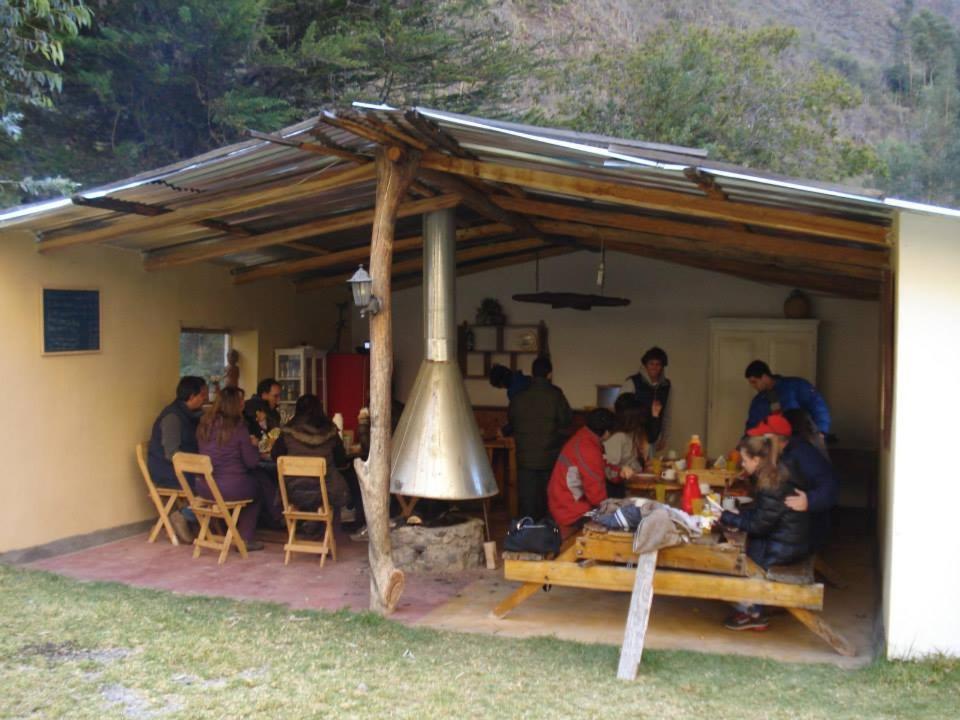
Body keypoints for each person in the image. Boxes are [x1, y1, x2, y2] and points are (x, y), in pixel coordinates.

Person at [719, 427, 811, 631]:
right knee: (747, 546)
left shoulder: (770, 484)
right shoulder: (772, 475)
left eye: (744, 460)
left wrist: (727, 517)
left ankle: (753, 611)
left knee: (743, 559)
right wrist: (736, 517)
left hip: (786, 547)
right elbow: (762, 517)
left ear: (756, 460)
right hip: (788, 539)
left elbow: (758, 526)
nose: (742, 464)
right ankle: (751, 606)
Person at [196, 386, 268, 550]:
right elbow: (251, 463)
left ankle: (226, 531)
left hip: (205, 487)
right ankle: (244, 539)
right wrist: (254, 445)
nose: (244, 403)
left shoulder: (204, 424)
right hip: (230, 488)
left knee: (254, 482)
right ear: (233, 404)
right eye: (241, 401)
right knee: (258, 489)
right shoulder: (239, 427)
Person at [547, 408, 636, 537]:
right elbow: (597, 497)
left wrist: (619, 472)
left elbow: (601, 467)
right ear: (606, 432)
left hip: (562, 502)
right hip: (570, 510)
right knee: (624, 522)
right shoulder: (588, 449)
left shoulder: (584, 437)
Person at [271, 394, 356, 522]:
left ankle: (307, 526)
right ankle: (337, 527)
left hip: (293, 492)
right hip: (327, 492)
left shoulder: (287, 433)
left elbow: (275, 456)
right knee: (348, 477)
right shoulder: (330, 432)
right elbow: (341, 460)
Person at [507, 356, 572, 521]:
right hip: (550, 455)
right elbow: (566, 421)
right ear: (549, 374)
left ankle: (526, 534)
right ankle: (547, 532)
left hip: (525, 456)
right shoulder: (556, 395)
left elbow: (511, 421)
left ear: (533, 373)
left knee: (528, 499)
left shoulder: (519, 396)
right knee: (548, 497)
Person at [146, 376, 208, 542]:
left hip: (185, 467)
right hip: (168, 471)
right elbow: (172, 454)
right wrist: (197, 464)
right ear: (191, 396)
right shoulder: (172, 417)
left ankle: (187, 518)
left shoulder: (192, 415)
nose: (205, 399)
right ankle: (183, 516)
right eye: (202, 395)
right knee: (211, 484)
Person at [781, 408, 839, 554]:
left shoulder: (801, 450)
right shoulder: (804, 445)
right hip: (808, 522)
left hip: (809, 526)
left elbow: (830, 486)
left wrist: (809, 501)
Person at [744, 360, 831, 438]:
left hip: (805, 440)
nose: (753, 386)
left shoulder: (796, 386)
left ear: (764, 377)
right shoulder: (758, 401)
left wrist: (821, 432)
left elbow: (817, 406)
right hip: (777, 446)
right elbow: (752, 425)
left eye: (754, 382)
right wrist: (743, 446)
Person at [619, 346, 671, 452]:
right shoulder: (632, 382)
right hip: (633, 436)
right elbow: (621, 408)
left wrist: (664, 437)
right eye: (651, 363)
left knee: (650, 466)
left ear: (662, 367)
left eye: (658, 364)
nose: (654, 367)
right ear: (645, 365)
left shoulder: (665, 386)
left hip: (653, 434)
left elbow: (666, 413)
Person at [603, 392, 662, 478]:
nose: (642, 420)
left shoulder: (631, 434)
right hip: (621, 486)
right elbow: (610, 471)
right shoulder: (618, 438)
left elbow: (632, 461)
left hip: (631, 480)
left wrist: (644, 467)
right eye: (639, 416)